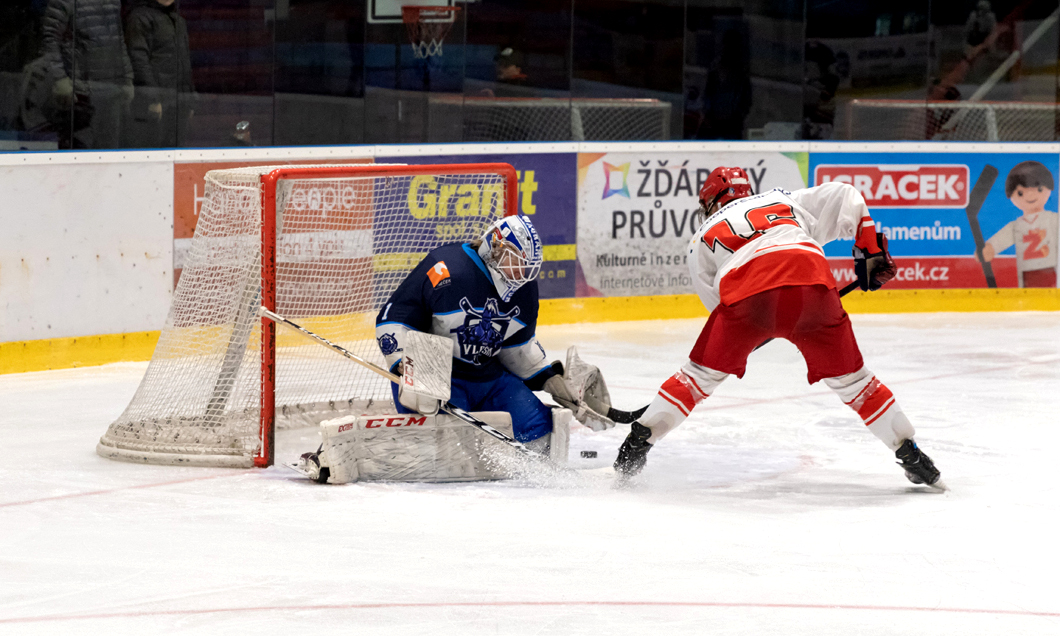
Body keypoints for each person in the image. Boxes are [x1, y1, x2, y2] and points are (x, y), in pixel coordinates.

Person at [613, 167, 943, 488]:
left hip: (745, 297)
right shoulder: (783, 200)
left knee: (696, 378)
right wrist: (869, 249)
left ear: (711, 202)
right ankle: (909, 452)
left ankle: (638, 441)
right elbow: (846, 194)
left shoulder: (700, 238)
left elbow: (718, 306)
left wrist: (749, 330)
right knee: (857, 384)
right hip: (812, 284)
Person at [375, 214, 613, 454]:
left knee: (539, 428)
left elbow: (517, 347)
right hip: (439, 378)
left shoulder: (524, 290)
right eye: (517, 262)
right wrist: (405, 364)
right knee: (447, 444)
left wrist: (549, 379)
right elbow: (395, 319)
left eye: (527, 267)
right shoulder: (445, 268)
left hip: (488, 380)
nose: (522, 274)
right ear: (496, 246)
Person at [38, 0, 132, 148]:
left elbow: (118, 40)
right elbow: (50, 40)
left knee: (109, 156)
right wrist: (60, 79)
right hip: (80, 95)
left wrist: (127, 78)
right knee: (77, 155)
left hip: (111, 91)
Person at [124, 0, 195, 148]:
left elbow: (185, 62)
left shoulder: (178, 20)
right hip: (157, 105)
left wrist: (190, 99)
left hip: (179, 102)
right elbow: (138, 60)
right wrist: (152, 99)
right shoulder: (139, 18)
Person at [980, 161, 1058, 288]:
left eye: (1038, 189)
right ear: (1011, 196)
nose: (1030, 195)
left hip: (1052, 271)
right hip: (1027, 275)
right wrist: (990, 248)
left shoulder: (1054, 219)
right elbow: (999, 241)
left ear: (1049, 189)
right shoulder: (1016, 226)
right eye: (1021, 193)